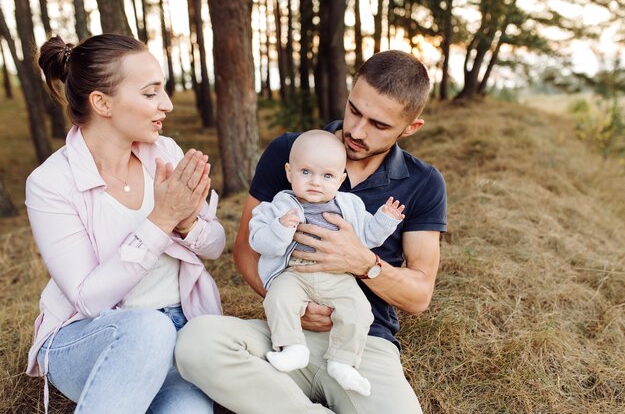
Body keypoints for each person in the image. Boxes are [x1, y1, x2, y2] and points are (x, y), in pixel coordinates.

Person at [176, 50, 447, 413]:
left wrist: (363, 262)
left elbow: (418, 296)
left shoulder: (423, 183)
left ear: (410, 128)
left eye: (379, 125)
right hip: (284, 334)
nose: (356, 131)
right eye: (354, 110)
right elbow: (245, 250)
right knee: (196, 343)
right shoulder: (292, 150)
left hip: (363, 345)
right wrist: (290, 303)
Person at [25, 34, 225, 414]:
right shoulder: (50, 183)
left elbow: (215, 246)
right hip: (92, 337)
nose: (166, 104)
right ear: (101, 103)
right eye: (151, 94)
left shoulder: (165, 152)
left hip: (182, 332)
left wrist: (187, 223)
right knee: (149, 329)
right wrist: (160, 219)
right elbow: (88, 299)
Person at [250, 129, 405, 397]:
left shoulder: (350, 206)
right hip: (295, 271)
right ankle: (292, 347)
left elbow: (368, 237)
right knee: (278, 298)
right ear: (289, 172)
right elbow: (258, 240)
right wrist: (279, 228)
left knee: (359, 310)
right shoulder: (279, 206)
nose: (315, 182)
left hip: (338, 277)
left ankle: (342, 362)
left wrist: (385, 219)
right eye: (306, 172)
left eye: (327, 176)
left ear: (341, 179)